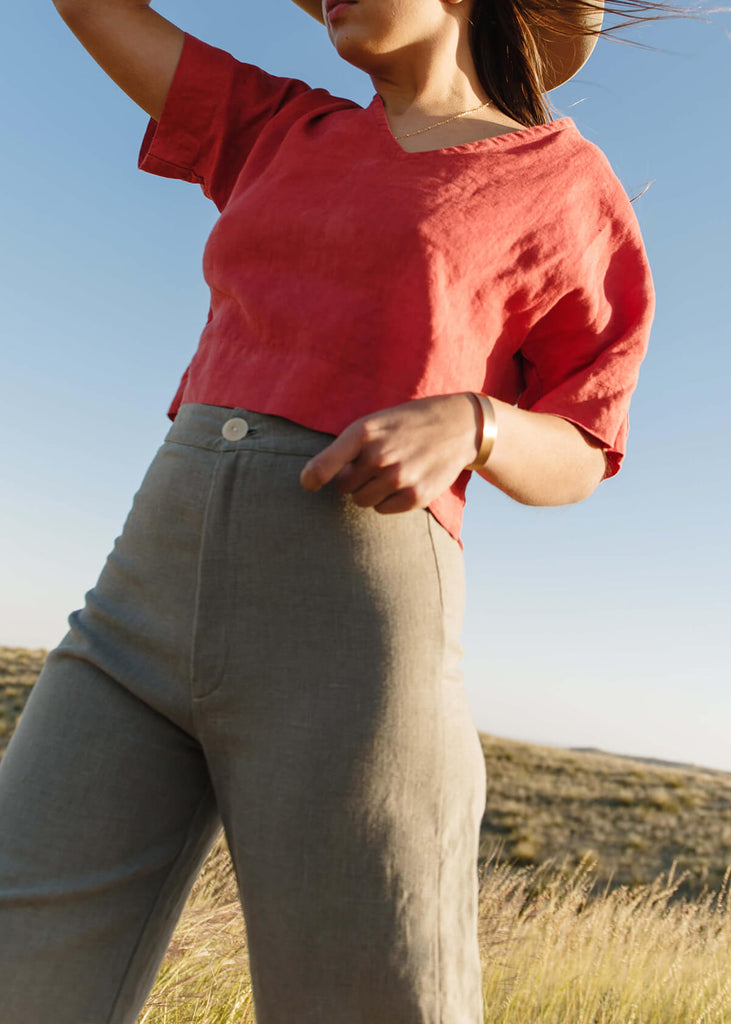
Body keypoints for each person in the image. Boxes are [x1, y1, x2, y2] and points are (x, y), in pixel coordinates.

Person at [0, 0, 658, 1021]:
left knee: (368, 994)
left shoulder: (562, 183)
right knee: (18, 949)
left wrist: (477, 422)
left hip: (349, 632)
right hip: (140, 597)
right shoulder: (276, 126)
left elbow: (580, 446)